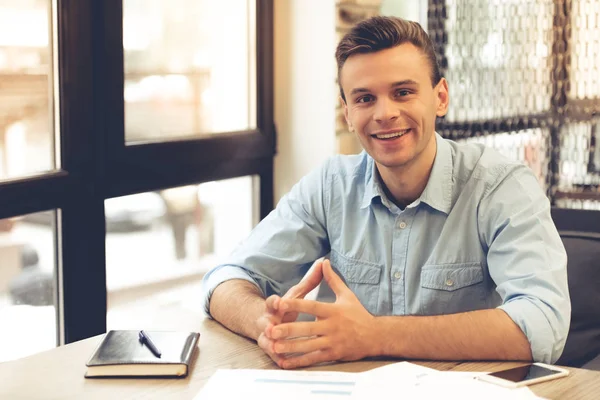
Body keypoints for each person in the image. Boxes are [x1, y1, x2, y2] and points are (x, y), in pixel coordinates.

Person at [201, 16, 570, 370]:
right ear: (347, 112)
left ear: (440, 97)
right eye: (364, 99)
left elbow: (542, 325)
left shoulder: (502, 186)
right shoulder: (330, 185)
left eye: (403, 92)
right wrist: (265, 324)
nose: (384, 113)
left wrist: (374, 335)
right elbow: (226, 278)